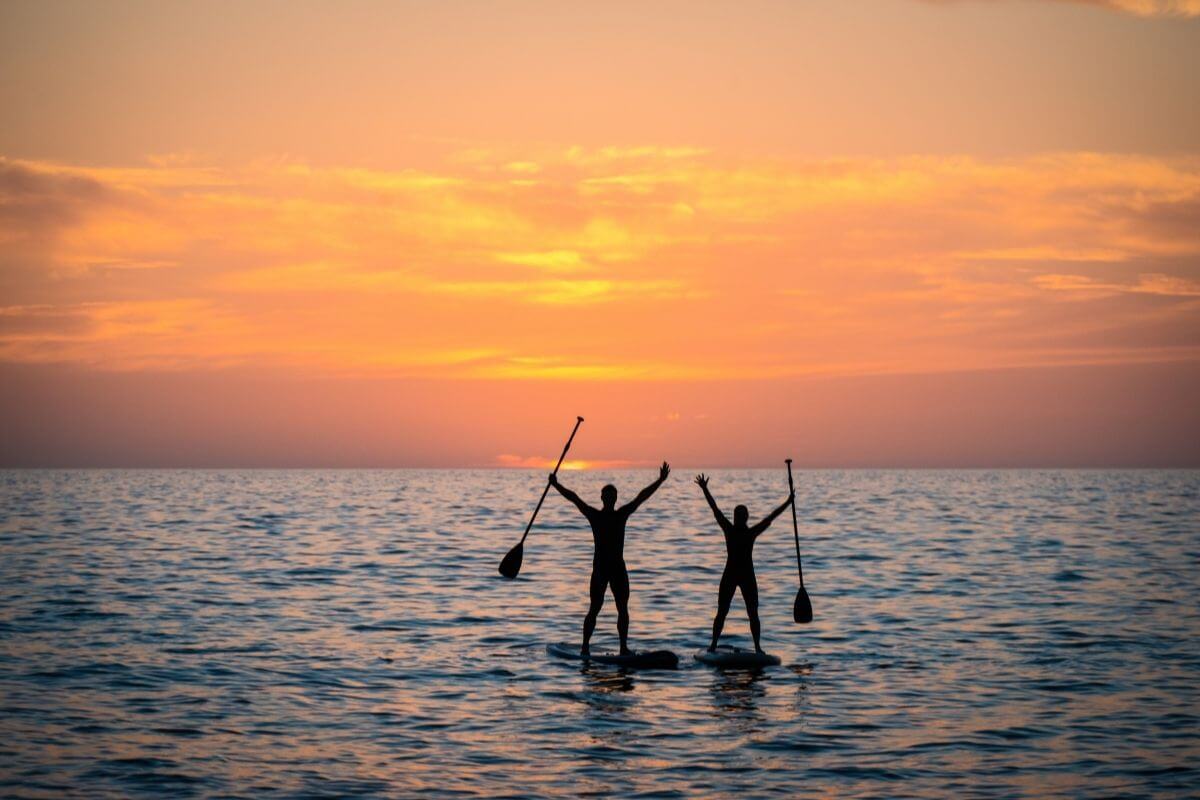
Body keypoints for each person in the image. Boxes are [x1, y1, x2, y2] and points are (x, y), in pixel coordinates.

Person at [549, 462, 671, 655]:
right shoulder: (596, 516)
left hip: (617, 568)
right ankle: (585, 647)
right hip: (601, 569)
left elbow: (642, 497)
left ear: (614, 499)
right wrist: (556, 485)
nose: (610, 498)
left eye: (612, 496)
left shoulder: (620, 515)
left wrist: (660, 481)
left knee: (622, 608)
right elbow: (574, 498)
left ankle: (622, 647)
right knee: (595, 608)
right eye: (608, 496)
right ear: (603, 498)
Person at [695, 473, 793, 654]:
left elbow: (770, 517)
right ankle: (714, 645)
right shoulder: (733, 530)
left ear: (746, 517)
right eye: (737, 515)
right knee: (722, 611)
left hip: (745, 576)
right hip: (733, 575)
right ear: (736, 517)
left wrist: (788, 502)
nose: (739, 518)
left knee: (752, 613)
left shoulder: (747, 532)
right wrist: (705, 489)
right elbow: (715, 509)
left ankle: (757, 647)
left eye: (741, 515)